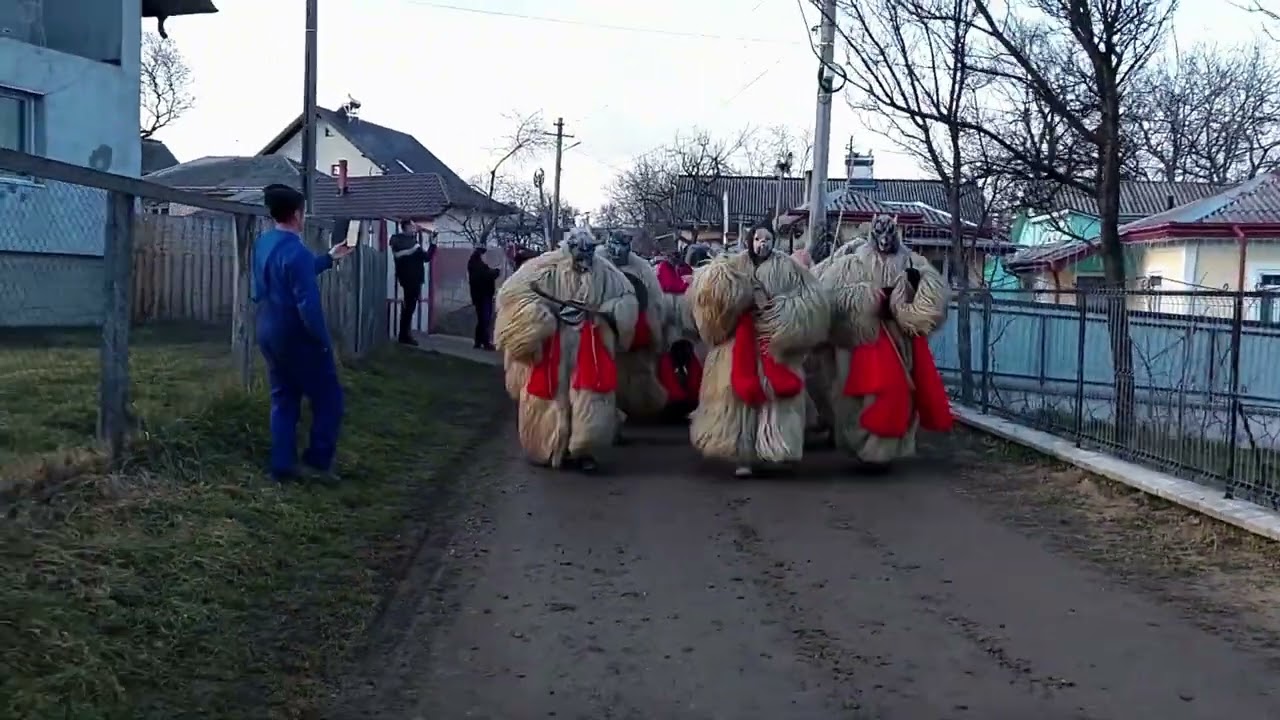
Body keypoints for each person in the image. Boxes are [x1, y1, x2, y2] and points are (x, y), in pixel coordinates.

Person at [687, 224, 830, 478]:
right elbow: (709, 301)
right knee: (736, 399)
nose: (762, 243)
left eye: (767, 239)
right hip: (736, 346)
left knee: (773, 397)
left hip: (773, 344)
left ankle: (772, 448)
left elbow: (812, 300)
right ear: (750, 240)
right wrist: (734, 300)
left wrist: (777, 310)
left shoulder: (789, 268)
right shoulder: (732, 265)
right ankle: (742, 455)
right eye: (758, 239)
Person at [494, 226, 639, 471]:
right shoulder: (543, 267)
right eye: (579, 253)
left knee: (590, 395)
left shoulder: (607, 273)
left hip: (590, 341)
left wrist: (606, 313)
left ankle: (585, 449)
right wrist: (544, 314)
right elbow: (511, 294)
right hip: (555, 344)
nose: (584, 259)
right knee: (551, 395)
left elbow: (627, 298)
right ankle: (547, 446)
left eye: (588, 253)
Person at [815, 214, 952, 469]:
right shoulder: (851, 264)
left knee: (897, 391)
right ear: (873, 236)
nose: (885, 241)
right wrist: (864, 300)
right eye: (881, 236)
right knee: (857, 392)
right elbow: (829, 296)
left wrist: (911, 291)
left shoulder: (911, 261)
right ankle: (860, 442)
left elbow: (935, 294)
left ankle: (883, 449)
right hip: (861, 338)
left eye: (890, 236)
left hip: (899, 337)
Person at [252, 184, 354, 483]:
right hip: (296, 335)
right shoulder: (296, 251)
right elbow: (308, 305)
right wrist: (324, 342)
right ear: (298, 214)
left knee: (283, 398)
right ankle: (317, 463)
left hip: (267, 328)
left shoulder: (264, 243)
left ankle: (282, 465)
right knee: (329, 399)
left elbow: (279, 278)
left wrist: (329, 257)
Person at [597, 231, 670, 423]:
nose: (619, 254)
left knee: (636, 368)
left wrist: (653, 324)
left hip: (635, 324)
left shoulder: (641, 267)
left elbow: (655, 298)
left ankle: (636, 406)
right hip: (601, 323)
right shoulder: (596, 262)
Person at [389, 220, 437, 346]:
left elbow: (425, 258)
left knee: (410, 307)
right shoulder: (399, 240)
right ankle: (404, 335)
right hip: (408, 278)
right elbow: (399, 255)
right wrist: (415, 248)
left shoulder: (412, 243)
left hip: (415, 278)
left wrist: (433, 245)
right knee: (408, 307)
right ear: (405, 228)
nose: (414, 229)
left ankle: (405, 334)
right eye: (412, 226)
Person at [467, 244, 502, 350]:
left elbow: (484, 273)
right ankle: (485, 342)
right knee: (485, 319)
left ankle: (478, 342)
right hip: (483, 295)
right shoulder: (477, 264)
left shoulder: (474, 263)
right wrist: (496, 272)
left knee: (482, 319)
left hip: (479, 295)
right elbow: (485, 275)